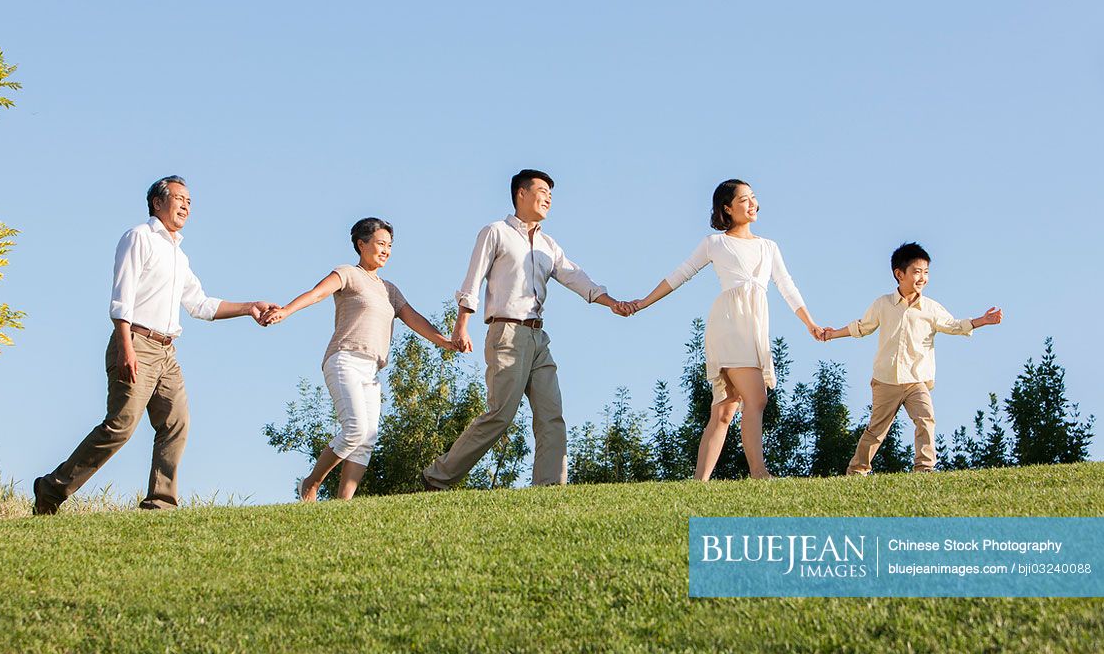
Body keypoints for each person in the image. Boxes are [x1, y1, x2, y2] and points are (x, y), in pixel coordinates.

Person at [33, 176, 277, 514]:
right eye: (179, 198)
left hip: (167, 351)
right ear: (157, 203)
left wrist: (249, 307)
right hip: (135, 342)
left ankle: (160, 503)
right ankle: (51, 488)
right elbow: (122, 297)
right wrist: (125, 347)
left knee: (177, 423)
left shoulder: (179, 255)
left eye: (190, 201)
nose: (186, 206)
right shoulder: (139, 238)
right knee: (120, 427)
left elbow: (201, 305)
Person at [421, 169, 636, 490]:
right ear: (521, 193)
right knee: (500, 415)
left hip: (538, 337)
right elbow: (472, 280)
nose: (548, 197)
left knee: (552, 415)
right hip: (506, 334)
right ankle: (437, 477)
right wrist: (461, 326)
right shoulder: (495, 232)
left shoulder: (549, 245)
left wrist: (612, 302)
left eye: (551, 192)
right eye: (542, 190)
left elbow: (577, 278)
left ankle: (549, 488)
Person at [632, 179, 824, 480]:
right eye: (744, 199)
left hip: (755, 325)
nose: (752, 204)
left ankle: (699, 482)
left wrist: (809, 322)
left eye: (753, 198)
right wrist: (643, 302)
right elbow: (680, 274)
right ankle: (759, 472)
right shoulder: (715, 243)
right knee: (757, 398)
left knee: (725, 410)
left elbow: (787, 286)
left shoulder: (768, 247)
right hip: (730, 322)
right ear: (727, 208)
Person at [265, 218, 457, 500]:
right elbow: (318, 294)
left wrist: (446, 342)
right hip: (345, 359)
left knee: (366, 439)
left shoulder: (389, 289)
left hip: (372, 370)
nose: (386, 251)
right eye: (380, 244)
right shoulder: (348, 273)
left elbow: (414, 318)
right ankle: (312, 482)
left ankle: (344, 503)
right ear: (361, 244)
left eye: (389, 246)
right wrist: (286, 311)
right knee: (354, 429)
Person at [823, 241, 1003, 474]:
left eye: (926, 272)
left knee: (926, 419)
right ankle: (857, 470)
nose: (923, 278)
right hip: (886, 379)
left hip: (916, 378)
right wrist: (833, 334)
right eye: (917, 271)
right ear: (899, 274)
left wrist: (982, 320)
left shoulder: (931, 308)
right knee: (877, 429)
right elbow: (862, 327)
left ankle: (925, 468)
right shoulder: (883, 304)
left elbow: (954, 325)